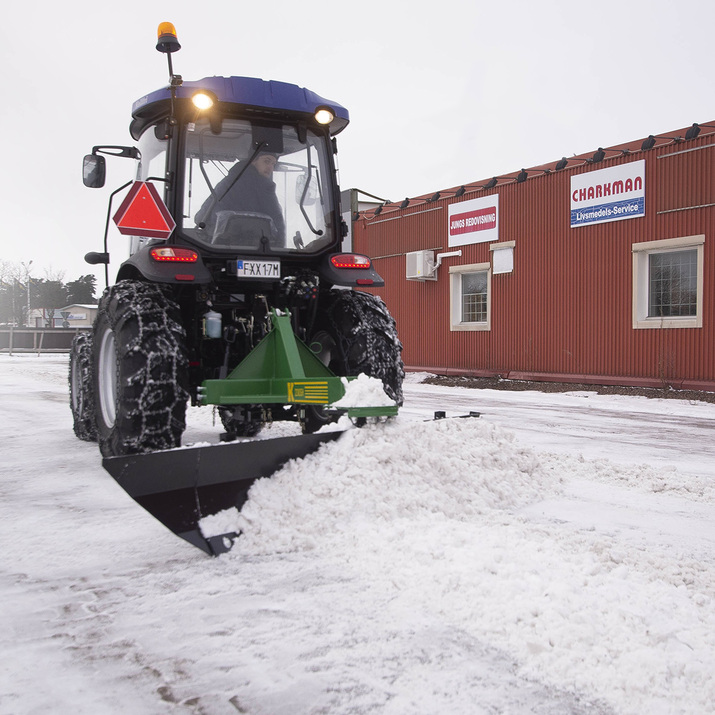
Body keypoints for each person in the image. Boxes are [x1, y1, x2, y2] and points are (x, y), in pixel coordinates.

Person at [195, 152, 286, 242]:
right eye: (266, 161)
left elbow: (200, 217)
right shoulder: (266, 187)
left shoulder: (226, 182)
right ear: (253, 161)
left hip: (217, 246)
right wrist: (280, 248)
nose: (270, 167)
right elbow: (278, 222)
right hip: (253, 247)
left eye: (273, 164)